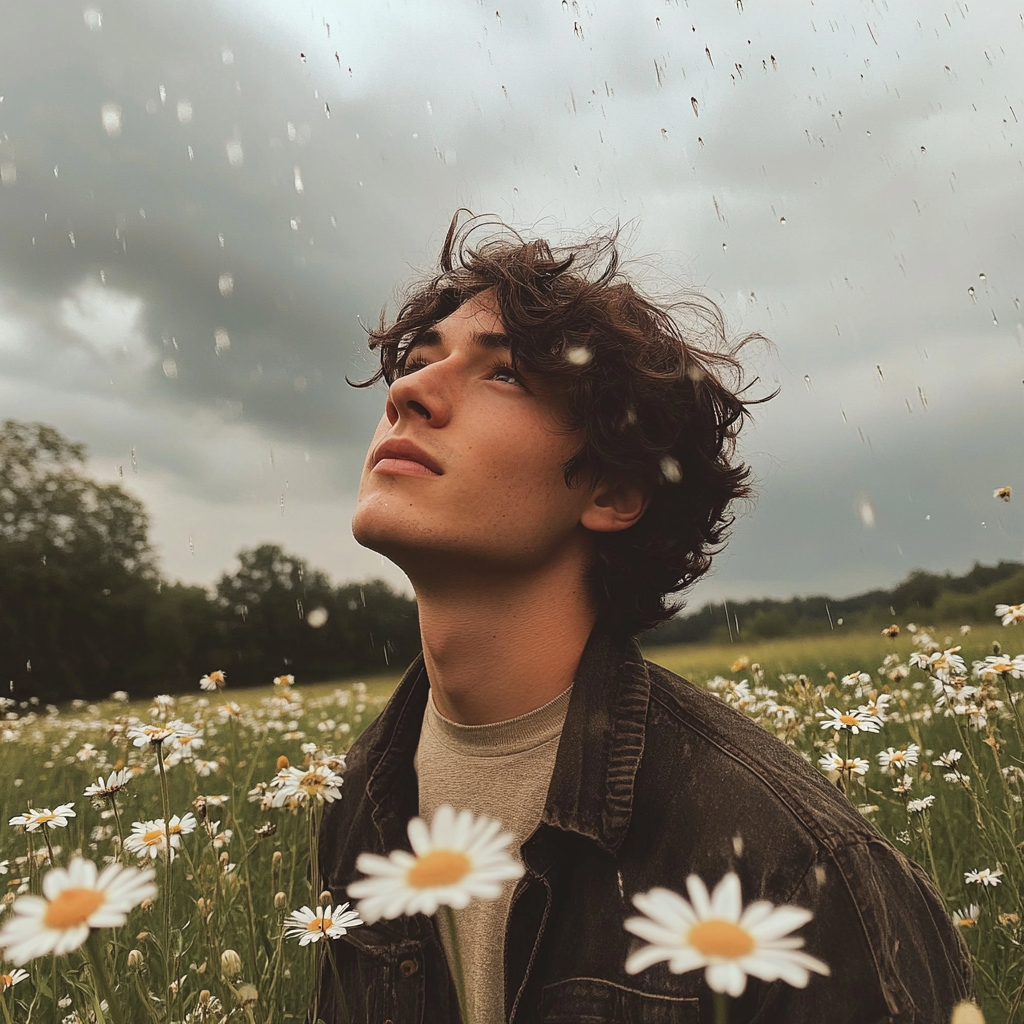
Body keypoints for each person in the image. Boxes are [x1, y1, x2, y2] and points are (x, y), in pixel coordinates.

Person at [310, 211, 972, 1023]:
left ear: (615, 492)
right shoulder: (355, 798)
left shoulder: (791, 868)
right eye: (416, 361)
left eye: (504, 373)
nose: (408, 391)